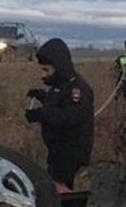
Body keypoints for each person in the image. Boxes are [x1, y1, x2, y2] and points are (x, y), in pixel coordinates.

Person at [25, 38, 94, 193]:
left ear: (59, 67)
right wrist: (41, 95)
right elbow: (57, 102)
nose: (43, 75)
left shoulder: (78, 88)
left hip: (71, 149)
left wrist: (41, 114)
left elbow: (69, 117)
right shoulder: (60, 84)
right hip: (57, 148)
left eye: (46, 70)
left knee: (59, 187)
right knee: (55, 184)